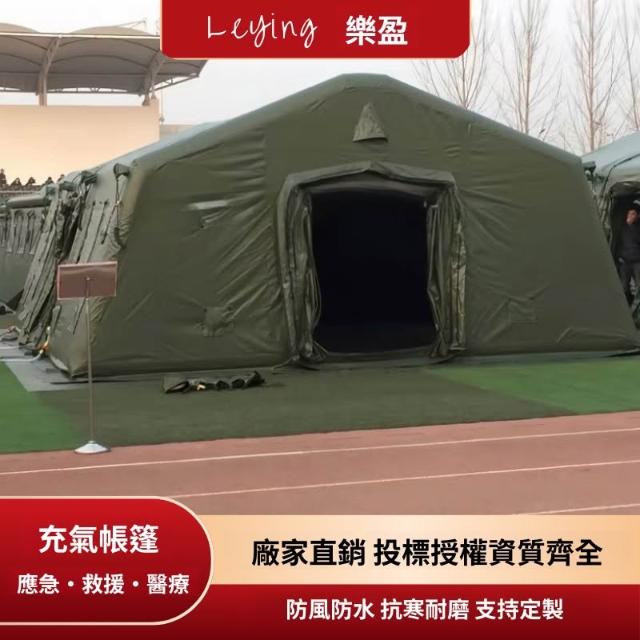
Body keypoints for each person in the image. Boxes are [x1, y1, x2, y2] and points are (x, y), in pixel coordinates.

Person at [616, 208, 640, 303]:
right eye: (629, 214)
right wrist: (619, 256)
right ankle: (626, 302)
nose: (630, 216)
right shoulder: (622, 228)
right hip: (625, 261)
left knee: (639, 284)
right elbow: (616, 242)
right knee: (624, 286)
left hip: (637, 261)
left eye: (633, 214)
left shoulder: (638, 228)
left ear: (637, 216)